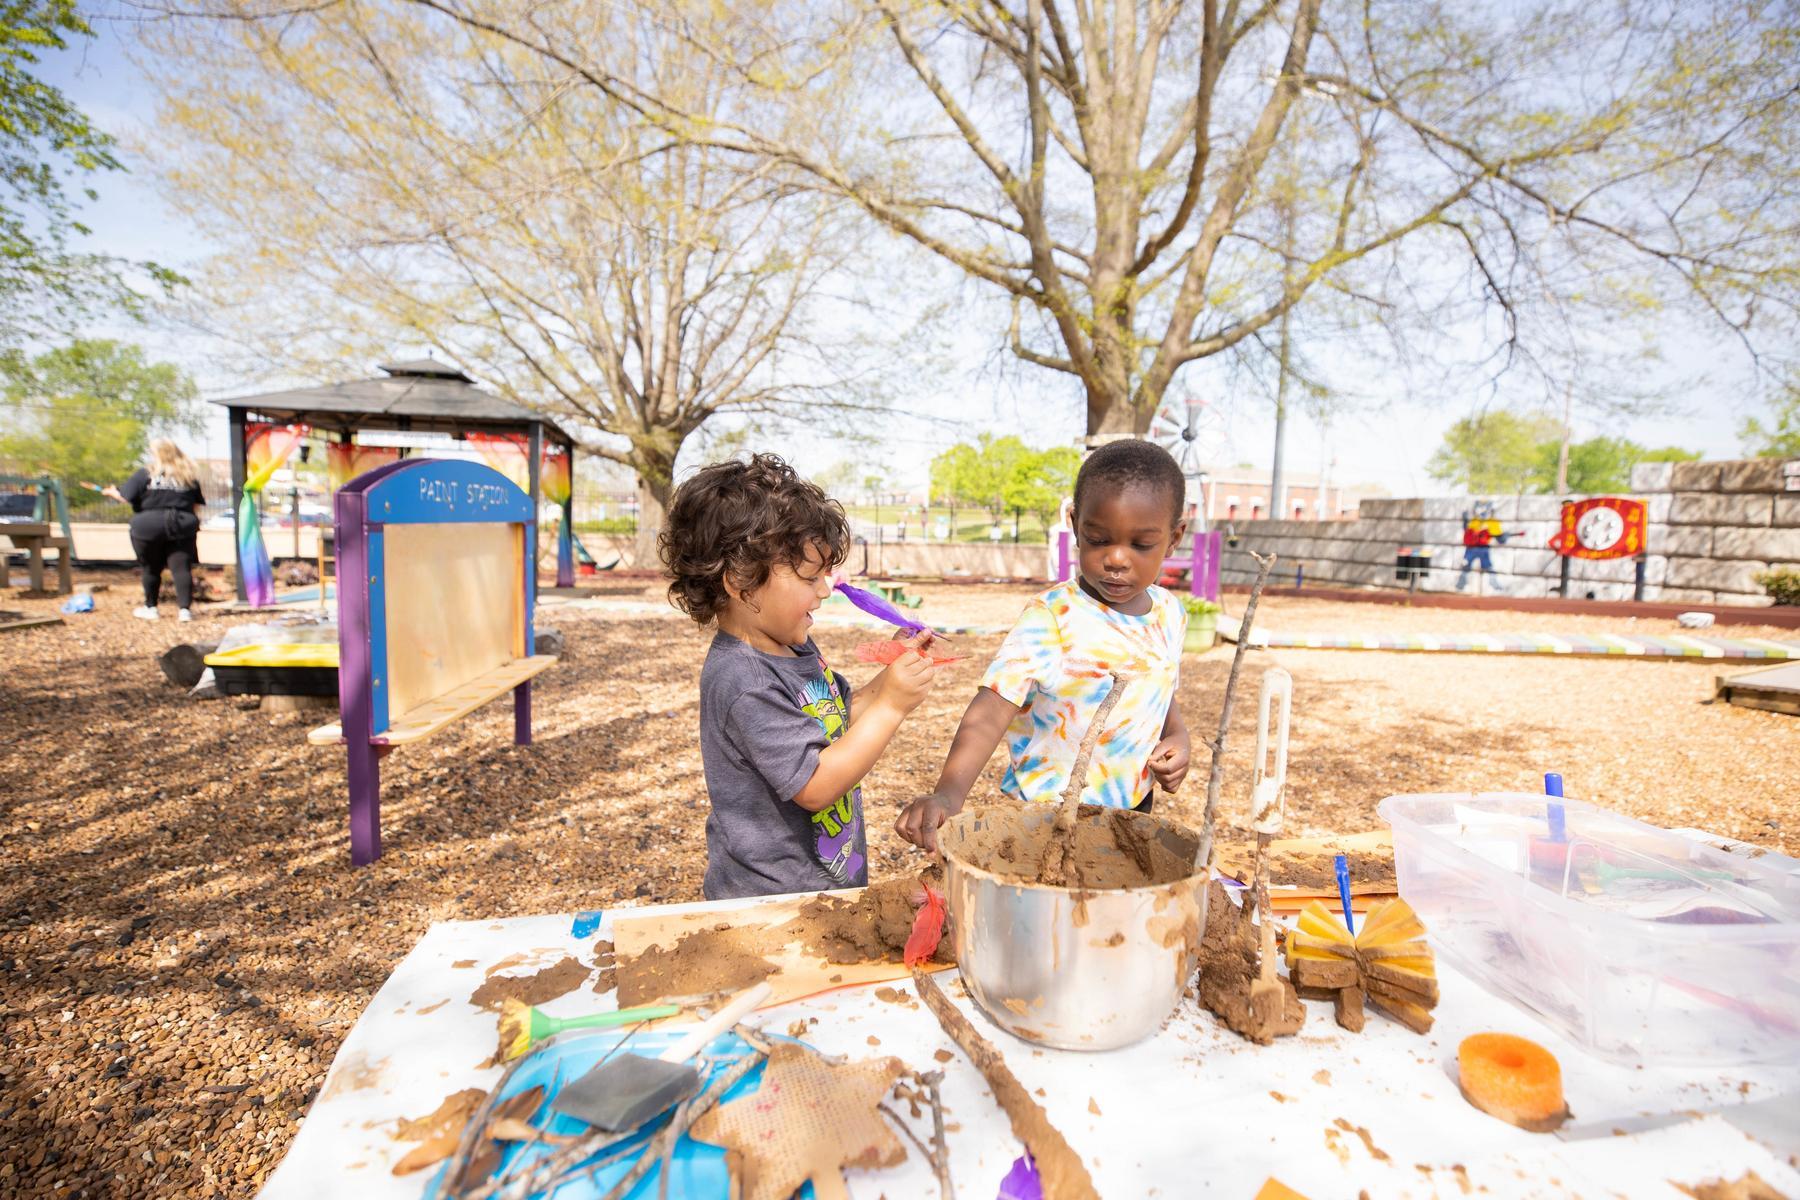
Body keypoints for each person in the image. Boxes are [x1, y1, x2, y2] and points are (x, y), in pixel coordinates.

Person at [660, 453, 944, 900]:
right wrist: (892, 704)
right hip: (769, 903)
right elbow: (815, 786)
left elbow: (836, 716)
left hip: (821, 887)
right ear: (742, 581)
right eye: (811, 576)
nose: (826, 589)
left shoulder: (792, 646)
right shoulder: (744, 679)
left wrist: (892, 673)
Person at [898, 439, 1192, 852]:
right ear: (1075, 525)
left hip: (1133, 810)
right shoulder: (1052, 618)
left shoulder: (1170, 614)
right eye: (1098, 539)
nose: (1117, 559)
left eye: (1141, 545)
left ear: (1175, 537)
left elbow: (1159, 688)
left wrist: (1178, 736)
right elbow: (992, 707)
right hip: (1047, 818)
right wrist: (949, 793)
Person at [103, 439, 206, 622]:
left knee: (151, 568)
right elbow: (196, 504)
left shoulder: (146, 474)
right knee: (181, 568)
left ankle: (151, 607)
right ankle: (184, 611)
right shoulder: (187, 476)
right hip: (181, 525)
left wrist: (112, 492)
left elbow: (126, 496)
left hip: (147, 525)